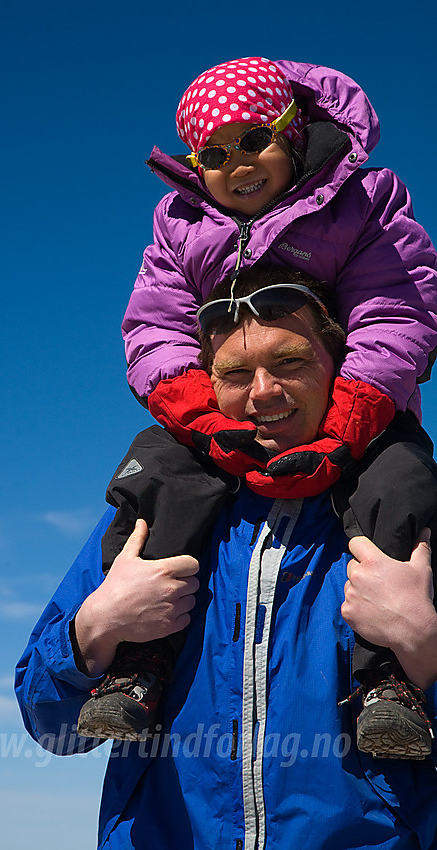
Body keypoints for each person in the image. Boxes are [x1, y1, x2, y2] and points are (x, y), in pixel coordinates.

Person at [78, 56, 437, 746]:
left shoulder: (360, 201)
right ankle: (137, 661)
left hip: (359, 415)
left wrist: (346, 425)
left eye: (252, 140)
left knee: (398, 482)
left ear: (293, 132)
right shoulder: (180, 223)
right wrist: (201, 419)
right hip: (215, 430)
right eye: (212, 153)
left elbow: (394, 313)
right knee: (155, 473)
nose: (234, 164)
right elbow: (154, 327)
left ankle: (389, 676)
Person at [15, 274, 437, 849]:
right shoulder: (155, 519)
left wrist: (424, 643)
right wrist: (95, 629)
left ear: (339, 368)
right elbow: (54, 729)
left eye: (289, 362)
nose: (262, 391)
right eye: (235, 373)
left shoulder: (414, 521)